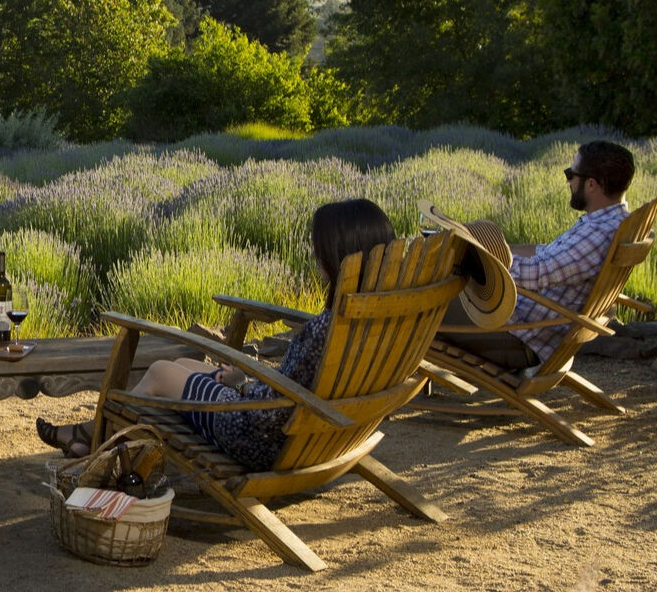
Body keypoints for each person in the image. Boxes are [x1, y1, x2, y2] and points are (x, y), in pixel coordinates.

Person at [37, 199, 398, 470]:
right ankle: (87, 436)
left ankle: (94, 454)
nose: (316, 258)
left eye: (320, 250)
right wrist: (245, 379)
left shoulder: (324, 329)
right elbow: (299, 387)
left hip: (257, 435)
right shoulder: (379, 322)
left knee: (161, 372)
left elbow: (277, 407)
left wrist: (241, 385)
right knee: (182, 364)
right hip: (310, 434)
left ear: (339, 257)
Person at [434, 141, 636, 370]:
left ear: (591, 184)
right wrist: (496, 246)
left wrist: (475, 257)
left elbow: (533, 275)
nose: (568, 181)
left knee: (421, 307)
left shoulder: (598, 234)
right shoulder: (610, 222)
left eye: (571, 174)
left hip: (518, 336)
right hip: (523, 321)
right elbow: (549, 256)